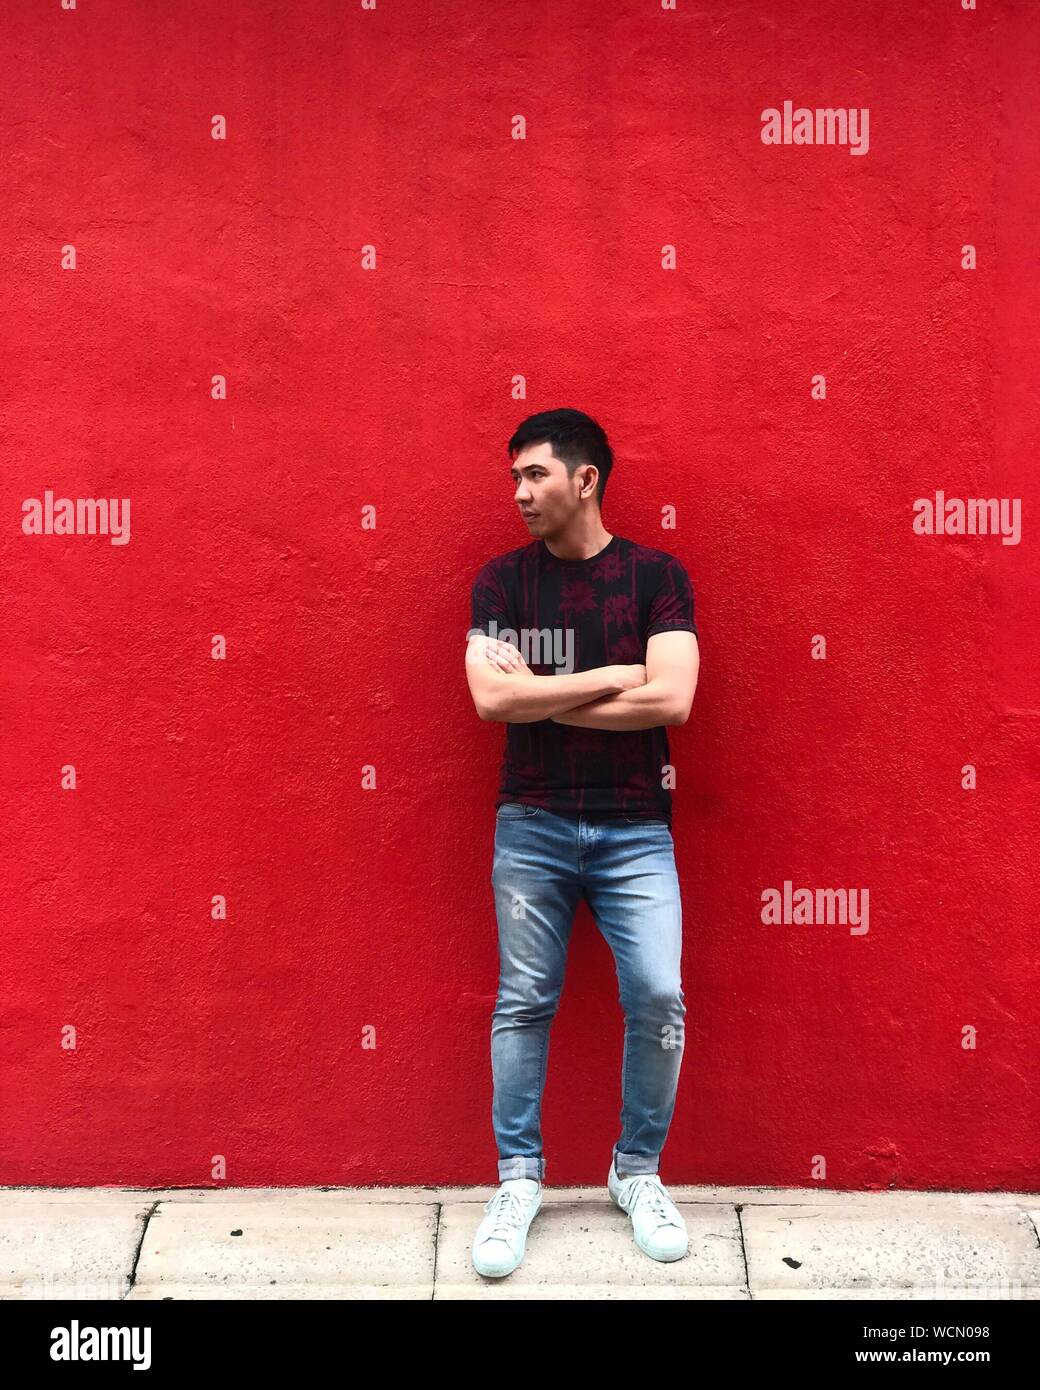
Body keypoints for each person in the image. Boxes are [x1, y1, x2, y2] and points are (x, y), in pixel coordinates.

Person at [464, 407, 701, 1278]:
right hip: (531, 820)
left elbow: (672, 700)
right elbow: (490, 701)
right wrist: (608, 676)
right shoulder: (500, 583)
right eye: (515, 479)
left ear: (585, 479)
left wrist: (543, 694)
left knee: (659, 996)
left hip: (635, 828)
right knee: (524, 1000)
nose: (520, 493)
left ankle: (636, 1171)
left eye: (535, 475)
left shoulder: (656, 576)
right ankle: (518, 1178)